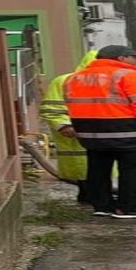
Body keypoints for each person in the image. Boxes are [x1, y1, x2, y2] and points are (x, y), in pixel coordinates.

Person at [63, 45, 136, 219]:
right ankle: (130, 207)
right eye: (134, 57)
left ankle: (102, 206)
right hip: (129, 134)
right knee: (133, 171)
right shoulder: (130, 76)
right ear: (122, 58)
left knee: (98, 170)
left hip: (91, 135)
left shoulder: (74, 78)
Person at [39, 50, 98, 202]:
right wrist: (64, 126)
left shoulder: (111, 81)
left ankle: (99, 196)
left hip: (102, 133)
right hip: (76, 134)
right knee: (83, 168)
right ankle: (89, 195)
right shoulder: (64, 81)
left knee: (100, 169)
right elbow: (52, 108)